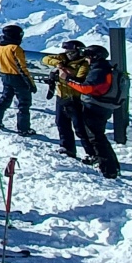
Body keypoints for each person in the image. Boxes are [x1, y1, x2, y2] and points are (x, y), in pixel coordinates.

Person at [65, 45, 121, 179]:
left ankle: (108, 170)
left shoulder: (98, 70)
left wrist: (67, 80)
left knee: (96, 138)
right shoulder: (105, 67)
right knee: (99, 137)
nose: (86, 59)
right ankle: (112, 166)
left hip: (96, 106)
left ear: (94, 57)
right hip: (104, 105)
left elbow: (86, 88)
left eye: (88, 56)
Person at [41, 40, 96, 160]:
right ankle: (67, 147)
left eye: (71, 52)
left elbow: (80, 78)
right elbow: (46, 59)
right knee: (61, 123)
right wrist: (59, 65)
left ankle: (91, 152)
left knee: (80, 127)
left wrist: (64, 72)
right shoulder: (62, 58)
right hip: (61, 96)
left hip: (75, 98)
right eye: (67, 51)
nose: (68, 54)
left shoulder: (83, 63)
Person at [0, 24, 37, 136]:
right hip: (18, 78)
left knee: (5, 98)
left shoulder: (0, 47)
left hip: (5, 75)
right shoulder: (15, 48)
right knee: (24, 103)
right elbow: (22, 67)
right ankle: (23, 128)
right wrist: (30, 83)